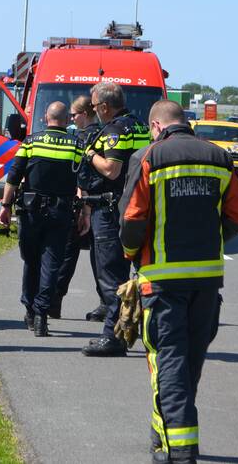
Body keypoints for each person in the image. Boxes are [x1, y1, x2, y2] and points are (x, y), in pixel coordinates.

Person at [121, 100, 238, 464]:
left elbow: (132, 218)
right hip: (207, 279)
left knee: (169, 362)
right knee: (189, 361)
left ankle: (180, 451)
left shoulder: (150, 157)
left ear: (157, 126)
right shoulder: (220, 158)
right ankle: (163, 438)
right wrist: (212, 240)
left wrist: (132, 252)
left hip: (161, 280)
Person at [80, 82, 151, 357]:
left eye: (95, 106)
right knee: (133, 271)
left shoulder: (114, 130)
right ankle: (143, 331)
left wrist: (90, 153)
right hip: (134, 207)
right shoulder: (139, 126)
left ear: (106, 107)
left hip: (110, 211)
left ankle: (113, 337)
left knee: (110, 276)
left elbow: (111, 169)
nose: (94, 111)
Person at [0, 102, 81, 336]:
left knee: (31, 260)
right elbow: (81, 183)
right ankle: (42, 315)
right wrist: (84, 213)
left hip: (31, 211)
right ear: (67, 120)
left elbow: (13, 177)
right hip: (61, 212)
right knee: (52, 264)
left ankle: (29, 311)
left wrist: (5, 206)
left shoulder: (31, 142)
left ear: (46, 118)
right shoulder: (77, 146)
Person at [52, 95, 105, 320]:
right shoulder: (105, 135)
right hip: (102, 201)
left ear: (84, 114)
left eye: (74, 115)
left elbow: (80, 173)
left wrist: (82, 201)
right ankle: (106, 302)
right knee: (100, 256)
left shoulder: (83, 138)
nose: (71, 119)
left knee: (68, 254)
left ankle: (54, 301)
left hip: (83, 201)